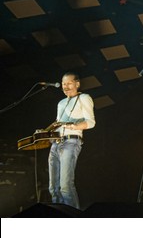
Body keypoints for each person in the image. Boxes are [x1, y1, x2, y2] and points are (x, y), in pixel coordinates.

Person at [48, 72, 95, 209]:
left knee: (65, 187)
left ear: (77, 84)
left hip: (71, 142)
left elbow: (91, 122)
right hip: (56, 144)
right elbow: (58, 123)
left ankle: (73, 219)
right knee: (53, 188)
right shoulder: (61, 103)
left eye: (69, 83)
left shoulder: (84, 98)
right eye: (63, 84)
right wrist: (48, 134)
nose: (65, 86)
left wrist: (74, 126)